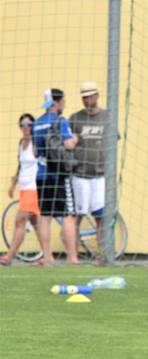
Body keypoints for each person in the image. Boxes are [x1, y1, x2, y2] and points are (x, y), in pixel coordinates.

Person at [32, 88, 80, 264]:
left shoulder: (37, 123)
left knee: (45, 216)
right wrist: (75, 139)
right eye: (63, 101)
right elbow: (68, 144)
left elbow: (35, 151)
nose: (64, 105)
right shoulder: (61, 121)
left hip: (41, 175)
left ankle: (47, 256)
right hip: (59, 174)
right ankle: (72, 257)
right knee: (67, 215)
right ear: (57, 103)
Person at [0, 114, 50, 266]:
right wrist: (13, 183)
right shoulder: (22, 142)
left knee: (20, 220)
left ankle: (9, 256)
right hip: (24, 187)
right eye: (22, 124)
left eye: (29, 124)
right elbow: (20, 164)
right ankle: (47, 257)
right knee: (36, 223)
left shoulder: (37, 143)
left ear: (34, 125)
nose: (26, 127)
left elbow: (45, 162)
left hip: (33, 187)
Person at [69, 81, 109, 265]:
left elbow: (113, 142)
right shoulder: (75, 118)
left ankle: (102, 255)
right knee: (77, 215)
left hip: (100, 175)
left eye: (89, 96)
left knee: (100, 216)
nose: (87, 100)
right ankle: (74, 256)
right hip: (80, 175)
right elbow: (68, 143)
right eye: (84, 97)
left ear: (97, 96)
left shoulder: (107, 117)